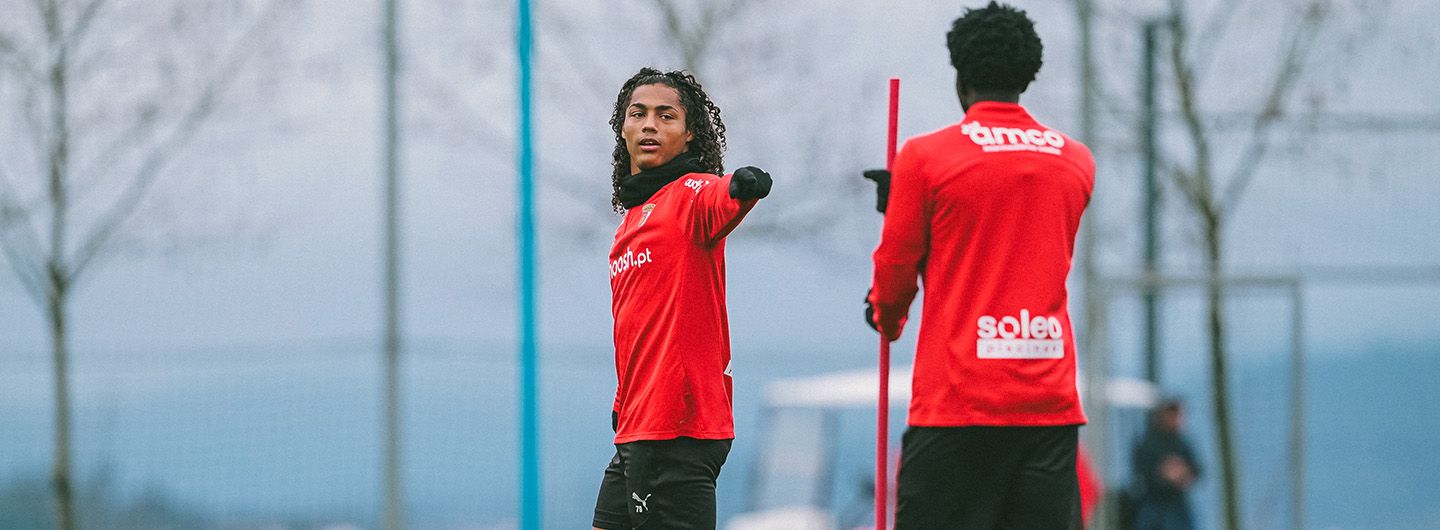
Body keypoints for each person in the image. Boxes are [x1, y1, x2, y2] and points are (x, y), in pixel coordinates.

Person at [864, 2, 1096, 528]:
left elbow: (897, 267)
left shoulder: (926, 157)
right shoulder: (1075, 160)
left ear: (960, 75)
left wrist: (885, 315)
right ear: (1028, 76)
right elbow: (1015, 232)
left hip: (957, 403)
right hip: (1047, 404)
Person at [592, 67, 772, 530]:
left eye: (666, 115)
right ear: (623, 128)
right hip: (637, 425)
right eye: (638, 114)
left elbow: (720, 195)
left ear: (689, 134)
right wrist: (622, 400)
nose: (649, 124)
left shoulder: (689, 195)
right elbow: (636, 324)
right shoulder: (631, 221)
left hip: (677, 427)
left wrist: (743, 185)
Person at [1129, 399, 1201, 530]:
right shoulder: (1148, 442)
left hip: (1178, 503)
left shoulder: (1182, 443)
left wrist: (1183, 473)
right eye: (1172, 415)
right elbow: (1140, 471)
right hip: (1154, 502)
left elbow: (1197, 470)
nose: (1176, 420)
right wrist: (1163, 473)